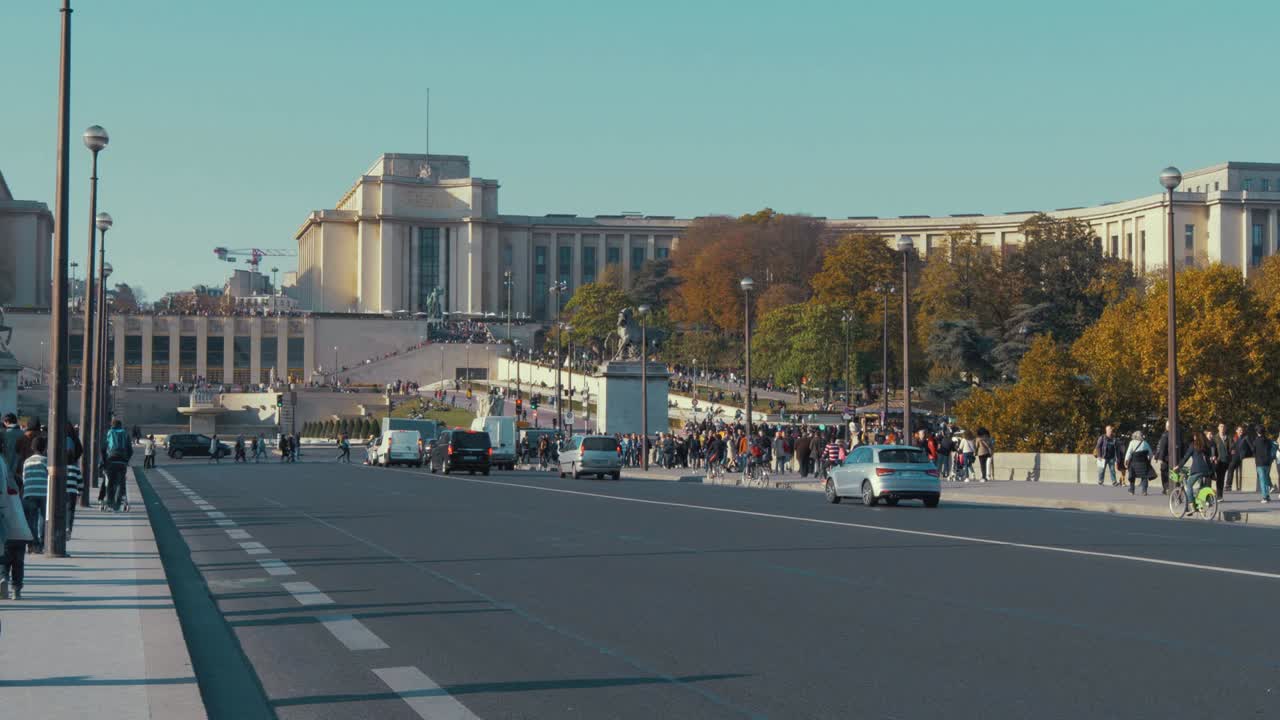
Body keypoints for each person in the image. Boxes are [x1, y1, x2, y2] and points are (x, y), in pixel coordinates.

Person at [1, 455, 26, 600]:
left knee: (4, 560)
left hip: (7, 534)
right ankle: (16, 590)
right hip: (21, 535)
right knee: (19, 564)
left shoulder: (5, 502)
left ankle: (3, 578)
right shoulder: (21, 503)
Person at [21, 436, 49, 553]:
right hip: (43, 492)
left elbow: (24, 477)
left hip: (29, 492)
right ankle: (42, 542)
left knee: (31, 519)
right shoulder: (46, 461)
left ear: (32, 447)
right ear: (44, 448)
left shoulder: (27, 461)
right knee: (43, 518)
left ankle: (33, 543)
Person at [1176, 432, 1212, 513]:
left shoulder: (1193, 445)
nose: (1193, 437)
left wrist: (1178, 466)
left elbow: (1186, 457)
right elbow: (1208, 460)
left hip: (1197, 469)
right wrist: (1210, 470)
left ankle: (1192, 505)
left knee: (1189, 485)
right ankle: (1202, 504)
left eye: (1194, 436)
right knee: (1202, 487)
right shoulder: (1205, 446)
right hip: (1205, 470)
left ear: (1196, 437)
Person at [103, 419, 133, 511]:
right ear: (120, 425)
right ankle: (117, 504)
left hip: (111, 460)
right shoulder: (125, 433)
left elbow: (103, 448)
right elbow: (130, 450)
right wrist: (126, 460)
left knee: (110, 482)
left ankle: (109, 501)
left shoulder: (109, 433)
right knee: (120, 482)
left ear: (112, 425)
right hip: (122, 462)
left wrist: (104, 462)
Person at [1123, 430, 1155, 496]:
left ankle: (1132, 490)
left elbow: (1128, 453)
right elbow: (1151, 454)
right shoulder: (1145, 443)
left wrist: (1126, 461)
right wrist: (1148, 460)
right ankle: (1144, 491)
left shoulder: (1132, 443)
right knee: (1144, 477)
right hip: (1143, 464)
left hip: (1134, 464)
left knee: (1132, 476)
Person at [1254, 424, 1274, 504]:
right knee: (1265, 478)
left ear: (1257, 432)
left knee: (1262, 480)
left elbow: (1254, 451)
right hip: (1268, 462)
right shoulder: (1268, 440)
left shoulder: (1256, 441)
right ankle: (1268, 495)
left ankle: (1265, 497)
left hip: (1260, 463)